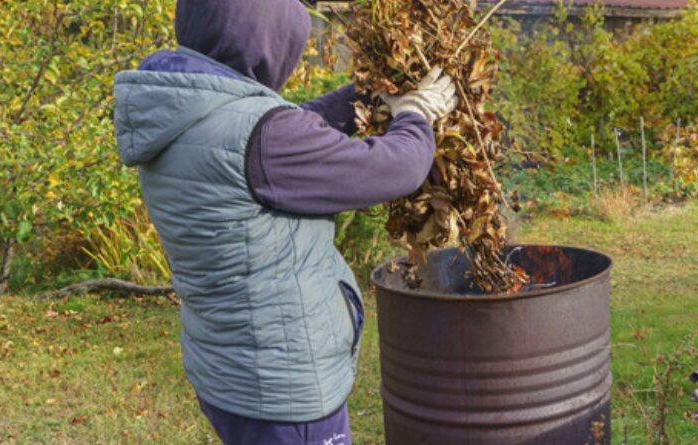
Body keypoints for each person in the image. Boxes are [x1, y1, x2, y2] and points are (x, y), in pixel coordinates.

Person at [112, 1, 458, 444]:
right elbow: (394, 169)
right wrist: (415, 116)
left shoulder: (179, 107)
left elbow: (282, 129)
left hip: (227, 369)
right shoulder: (261, 138)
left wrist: (365, 97)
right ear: (262, 45)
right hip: (282, 387)